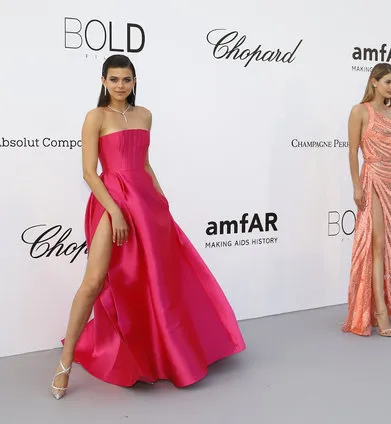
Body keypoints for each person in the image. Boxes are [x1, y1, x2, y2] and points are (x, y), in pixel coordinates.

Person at [50, 54, 246, 399]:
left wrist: (162, 201)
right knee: (94, 280)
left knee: (155, 281)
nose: (120, 85)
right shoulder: (95, 117)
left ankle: (159, 354)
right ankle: (65, 365)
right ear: (103, 82)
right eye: (114, 79)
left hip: (147, 206)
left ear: (134, 81)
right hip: (111, 203)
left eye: (126, 79)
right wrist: (115, 212)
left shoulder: (145, 115)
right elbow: (88, 173)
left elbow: (144, 164)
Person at [342, 63, 391, 337]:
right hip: (372, 177)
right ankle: (379, 311)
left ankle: (387, 302)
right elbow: (352, 152)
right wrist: (357, 187)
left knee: (390, 243)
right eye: (389, 82)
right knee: (376, 242)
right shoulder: (359, 111)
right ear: (374, 82)